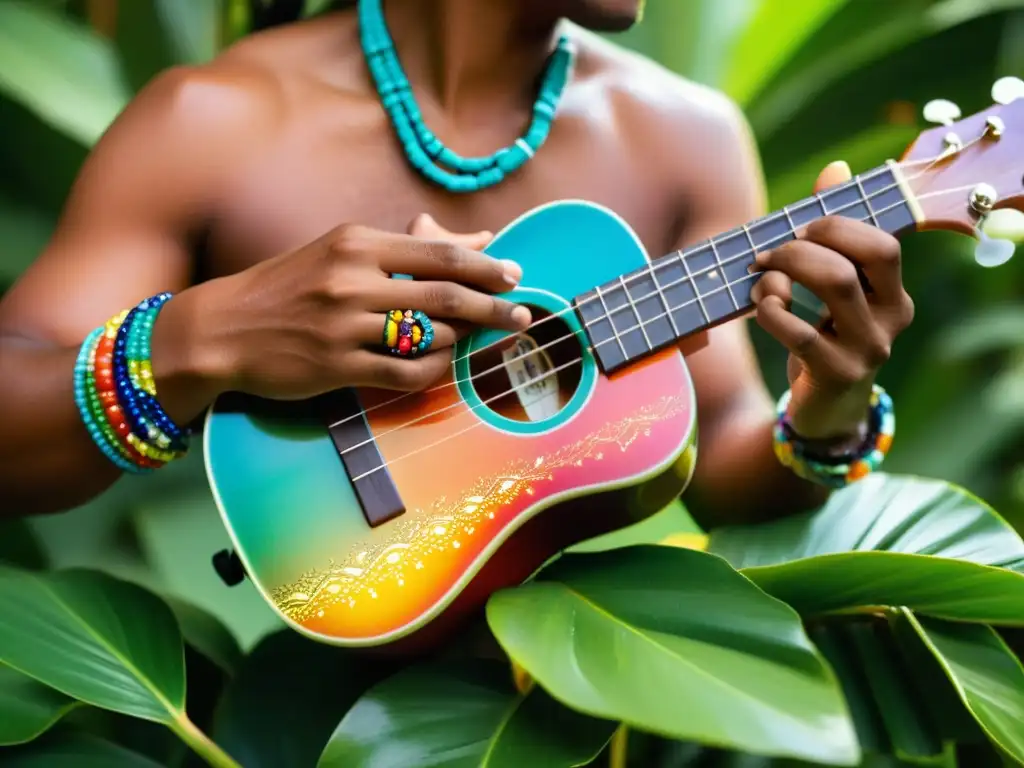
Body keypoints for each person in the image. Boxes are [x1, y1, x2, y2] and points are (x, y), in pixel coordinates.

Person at [0, 0, 913, 525]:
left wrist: (826, 408)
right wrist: (204, 336)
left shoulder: (688, 139)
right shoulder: (210, 121)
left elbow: (718, 452)